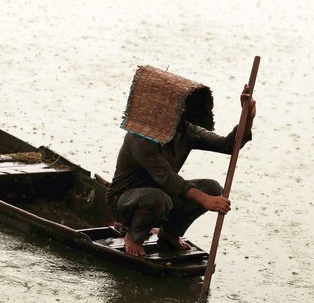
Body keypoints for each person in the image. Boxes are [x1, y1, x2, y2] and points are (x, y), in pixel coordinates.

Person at [106, 65, 256, 258]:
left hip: (162, 198)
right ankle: (134, 236)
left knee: (211, 187)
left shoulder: (187, 131)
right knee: (159, 198)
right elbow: (167, 178)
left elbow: (228, 145)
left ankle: (170, 233)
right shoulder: (139, 138)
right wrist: (205, 200)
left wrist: (247, 117)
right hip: (125, 201)